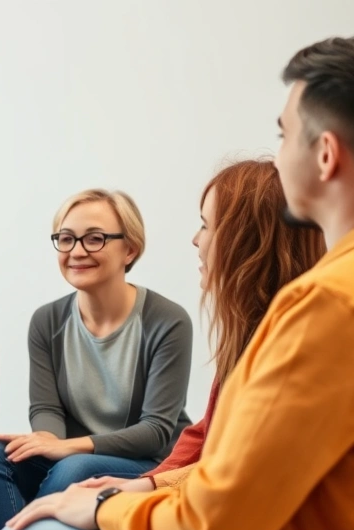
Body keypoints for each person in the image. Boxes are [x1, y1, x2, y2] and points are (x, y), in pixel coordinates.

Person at [0, 36, 354, 530]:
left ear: (326, 155)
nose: (278, 157)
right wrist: (147, 485)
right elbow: (227, 455)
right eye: (66, 237)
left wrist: (107, 505)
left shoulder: (329, 306)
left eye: (284, 135)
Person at [0, 188, 193, 530]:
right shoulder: (47, 321)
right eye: (66, 238)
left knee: (73, 469)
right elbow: (46, 408)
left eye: (95, 238)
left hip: (146, 460)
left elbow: (155, 431)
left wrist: (67, 448)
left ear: (130, 250)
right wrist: (50, 441)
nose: (76, 251)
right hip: (72, 455)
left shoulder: (167, 321)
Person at [78, 160, 325, 497]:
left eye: (206, 226)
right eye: (66, 238)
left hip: (224, 503)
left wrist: (142, 487)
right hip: (200, 488)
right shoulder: (249, 329)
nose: (196, 240)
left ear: (246, 241)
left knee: (72, 475)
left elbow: (236, 463)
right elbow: (205, 431)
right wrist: (147, 483)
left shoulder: (290, 342)